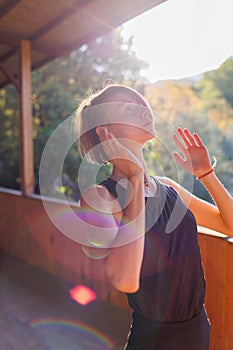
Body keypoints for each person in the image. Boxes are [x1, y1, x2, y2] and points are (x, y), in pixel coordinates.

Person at [74, 84, 233, 350]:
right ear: (106, 132)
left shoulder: (169, 189)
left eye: (141, 102)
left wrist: (206, 174)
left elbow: (230, 225)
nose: (143, 108)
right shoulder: (99, 198)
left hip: (198, 330)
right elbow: (125, 279)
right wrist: (135, 178)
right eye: (128, 108)